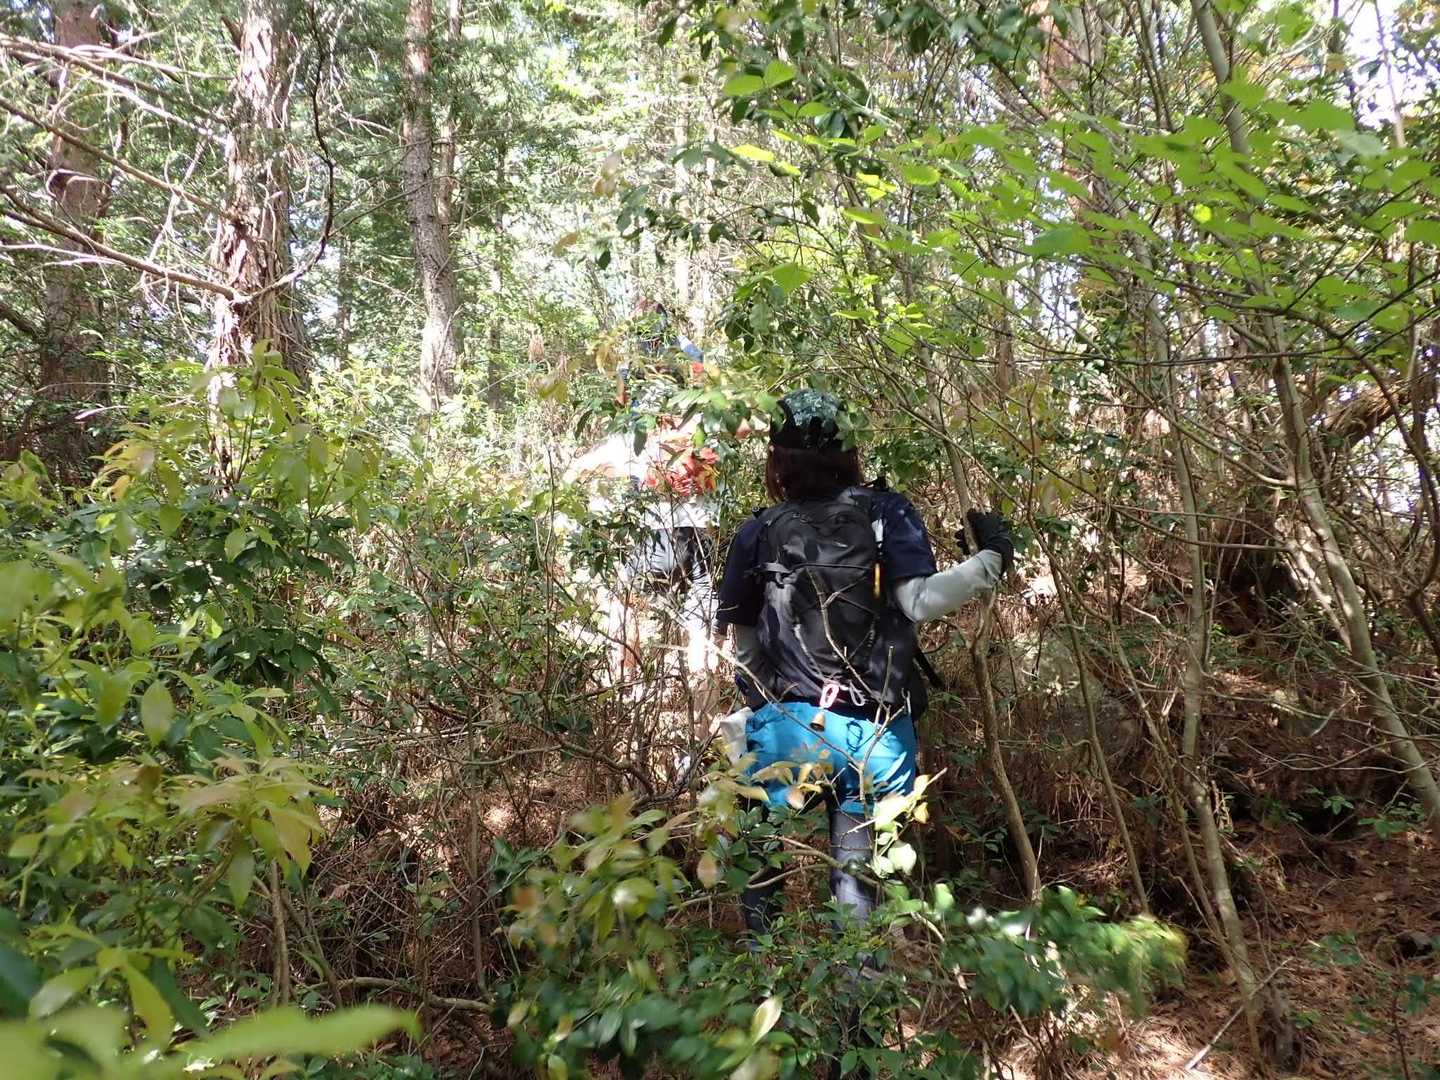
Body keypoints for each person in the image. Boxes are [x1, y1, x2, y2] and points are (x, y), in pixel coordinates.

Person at [712, 388, 1014, 937]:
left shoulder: (757, 531)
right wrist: (990, 558)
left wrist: (767, 707)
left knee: (758, 858)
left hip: (788, 730)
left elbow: (747, 647)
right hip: (876, 734)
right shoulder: (885, 512)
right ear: (849, 452)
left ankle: (762, 969)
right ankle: (859, 988)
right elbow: (918, 601)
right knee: (858, 890)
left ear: (777, 458)